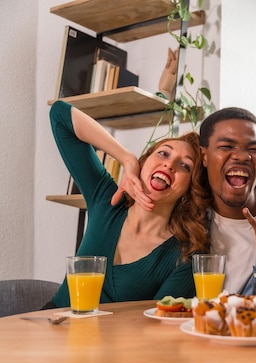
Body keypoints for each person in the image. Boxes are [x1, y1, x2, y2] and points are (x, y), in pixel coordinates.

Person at [45, 100, 210, 308]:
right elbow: (60, 115)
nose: (169, 164)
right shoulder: (107, 199)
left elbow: (159, 326)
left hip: (111, 340)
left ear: (189, 188)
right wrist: (127, 158)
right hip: (52, 327)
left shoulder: (184, 256)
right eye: (163, 153)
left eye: (185, 165)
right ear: (144, 161)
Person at [198, 107, 256, 295]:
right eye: (227, 147)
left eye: (254, 149)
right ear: (203, 156)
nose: (241, 156)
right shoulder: (188, 218)